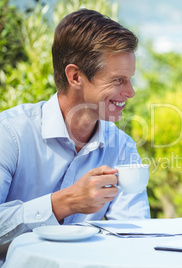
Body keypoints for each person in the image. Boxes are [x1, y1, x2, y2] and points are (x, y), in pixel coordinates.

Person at [0, 8, 150, 262]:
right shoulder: (10, 133)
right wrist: (65, 202)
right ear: (76, 76)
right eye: (118, 80)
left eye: (129, 79)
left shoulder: (121, 147)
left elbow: (132, 233)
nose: (131, 92)